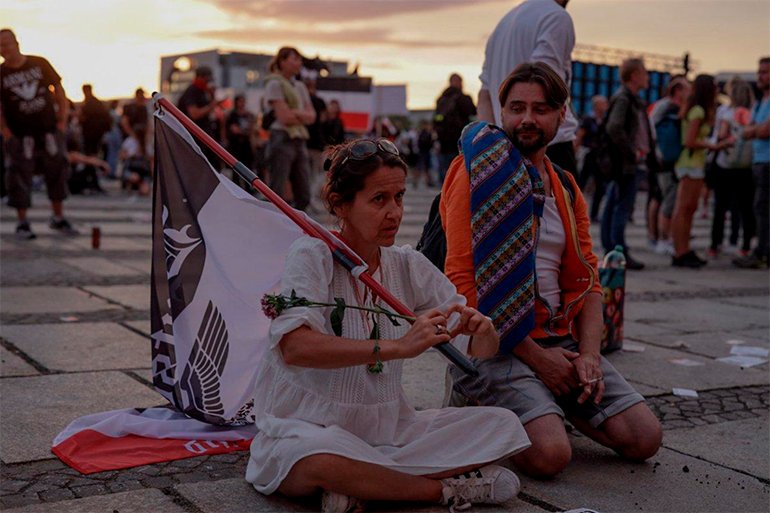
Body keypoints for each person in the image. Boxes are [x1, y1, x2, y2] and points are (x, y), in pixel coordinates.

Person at [245, 138, 530, 512]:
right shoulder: (313, 254)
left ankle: (366, 484)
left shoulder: (406, 265)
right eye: (379, 200)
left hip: (389, 432)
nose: (394, 212)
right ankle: (443, 491)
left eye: (399, 197)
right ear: (341, 204)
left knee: (504, 425)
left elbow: (478, 352)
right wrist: (399, 346)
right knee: (313, 460)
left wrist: (484, 331)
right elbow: (295, 347)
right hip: (311, 429)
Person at [440, 62, 662, 479]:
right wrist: (540, 361)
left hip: (560, 338)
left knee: (643, 437)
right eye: (516, 107)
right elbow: (461, 284)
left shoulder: (564, 184)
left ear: (562, 116)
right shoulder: (474, 172)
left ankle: (542, 400)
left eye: (540, 109)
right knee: (550, 455)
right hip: (494, 341)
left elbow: (589, 281)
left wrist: (590, 358)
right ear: (502, 113)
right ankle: (478, 396)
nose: (526, 119)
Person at [478, 0, 579, 175]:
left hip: (508, 143)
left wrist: (492, 145)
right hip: (548, 146)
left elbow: (484, 95)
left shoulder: (503, 24)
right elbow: (544, 78)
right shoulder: (556, 16)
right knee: (562, 201)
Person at [0, 28, 78, 239]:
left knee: (57, 171)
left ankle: (58, 217)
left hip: (49, 130)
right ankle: (23, 222)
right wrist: (6, 131)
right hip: (20, 134)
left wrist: (62, 120)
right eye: (0, 45)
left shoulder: (39, 63)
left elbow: (59, 90)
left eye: (7, 43)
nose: (5, 48)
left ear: (17, 43)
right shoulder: (1, 73)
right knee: (18, 175)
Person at [600, 58, 659, 270]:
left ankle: (611, 249)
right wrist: (631, 152)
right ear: (634, 75)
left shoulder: (630, 98)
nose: (648, 77)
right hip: (626, 164)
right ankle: (618, 251)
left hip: (626, 163)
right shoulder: (625, 98)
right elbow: (614, 127)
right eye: (644, 72)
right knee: (621, 207)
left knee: (614, 205)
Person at [670, 74, 732, 268]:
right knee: (684, 209)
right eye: (714, 87)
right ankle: (681, 251)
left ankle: (683, 248)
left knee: (688, 208)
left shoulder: (695, 108)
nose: (717, 90)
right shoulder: (698, 110)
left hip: (692, 163)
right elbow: (689, 141)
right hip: (691, 163)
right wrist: (714, 146)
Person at [263, 47, 316, 211]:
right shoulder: (274, 83)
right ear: (282, 61)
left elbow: (312, 116)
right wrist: (302, 115)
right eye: (294, 59)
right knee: (277, 187)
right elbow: (284, 118)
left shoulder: (300, 86)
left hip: (299, 138)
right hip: (282, 137)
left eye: (299, 59)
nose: (298, 63)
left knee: (304, 190)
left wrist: (295, 112)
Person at [709, 77, 755, 258]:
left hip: (724, 164)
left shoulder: (724, 112)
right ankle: (744, 245)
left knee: (720, 207)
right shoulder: (753, 113)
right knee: (745, 208)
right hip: (746, 166)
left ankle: (715, 244)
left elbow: (718, 136)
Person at [734, 56, 770, 269]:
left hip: (768, 162)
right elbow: (749, 130)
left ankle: (762, 253)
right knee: (759, 208)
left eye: (765, 72)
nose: (760, 76)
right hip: (759, 160)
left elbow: (764, 130)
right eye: (759, 72)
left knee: (763, 209)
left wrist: (754, 130)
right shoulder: (760, 102)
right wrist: (755, 130)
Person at [649, 75, 690, 255]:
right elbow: (651, 128)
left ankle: (661, 237)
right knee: (667, 199)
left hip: (668, 159)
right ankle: (662, 238)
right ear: (677, 91)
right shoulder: (666, 107)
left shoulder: (669, 107)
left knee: (663, 199)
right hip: (665, 160)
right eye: (686, 89)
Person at [434, 73, 476, 183]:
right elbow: (473, 112)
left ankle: (444, 195)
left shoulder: (440, 100)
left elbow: (436, 119)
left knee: (445, 171)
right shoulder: (463, 98)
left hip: (443, 141)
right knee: (460, 171)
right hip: (460, 140)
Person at [575, 95, 608, 222]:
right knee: (581, 182)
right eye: (603, 103)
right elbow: (580, 135)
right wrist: (576, 150)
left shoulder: (605, 120)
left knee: (600, 185)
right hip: (588, 154)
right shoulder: (588, 119)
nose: (605, 106)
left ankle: (594, 214)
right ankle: (575, 209)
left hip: (599, 157)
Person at [226, 94, 256, 189]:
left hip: (246, 145)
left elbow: (252, 129)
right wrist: (244, 131)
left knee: (248, 167)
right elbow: (234, 129)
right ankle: (237, 186)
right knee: (236, 167)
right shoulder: (232, 115)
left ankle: (249, 187)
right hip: (236, 144)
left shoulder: (248, 115)